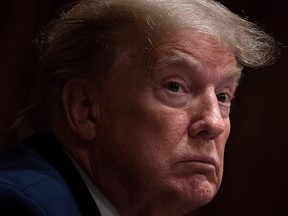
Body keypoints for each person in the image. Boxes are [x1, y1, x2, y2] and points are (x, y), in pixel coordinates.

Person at [0, 0, 279, 215]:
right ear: (85, 109)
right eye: (174, 86)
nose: (214, 123)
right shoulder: (22, 205)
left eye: (222, 96)